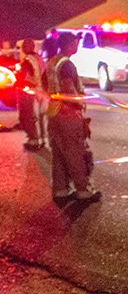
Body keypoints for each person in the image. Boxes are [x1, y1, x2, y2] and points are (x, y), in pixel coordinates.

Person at [43, 32, 101, 206]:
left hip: (54, 113)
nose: (77, 46)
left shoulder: (52, 62)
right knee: (76, 153)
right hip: (68, 115)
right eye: (76, 43)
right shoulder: (67, 64)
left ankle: (60, 190)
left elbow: (45, 83)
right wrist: (79, 103)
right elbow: (69, 88)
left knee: (59, 154)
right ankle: (83, 191)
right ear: (70, 45)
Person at [15, 38, 47, 151]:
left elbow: (24, 77)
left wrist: (18, 84)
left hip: (31, 92)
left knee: (32, 118)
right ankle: (42, 140)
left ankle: (34, 141)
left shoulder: (27, 61)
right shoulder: (40, 58)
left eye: (24, 46)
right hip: (42, 92)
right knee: (41, 117)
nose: (23, 48)